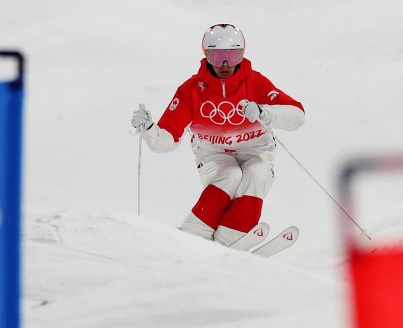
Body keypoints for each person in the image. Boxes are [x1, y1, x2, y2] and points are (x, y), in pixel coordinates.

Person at [131, 23, 305, 246]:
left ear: (242, 55)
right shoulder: (192, 90)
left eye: (232, 57)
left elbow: (297, 116)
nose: (225, 64)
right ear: (207, 56)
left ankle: (228, 241)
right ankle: (193, 235)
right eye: (217, 56)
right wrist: (149, 130)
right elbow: (167, 138)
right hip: (213, 154)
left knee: (257, 175)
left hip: (256, 151)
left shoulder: (255, 82)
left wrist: (265, 112)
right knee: (230, 175)